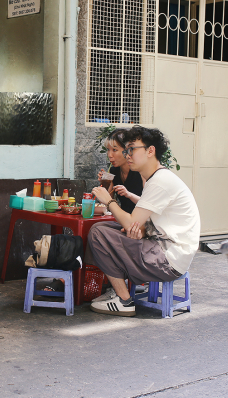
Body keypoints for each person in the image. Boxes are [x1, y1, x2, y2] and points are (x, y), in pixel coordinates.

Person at [87, 126, 200, 317]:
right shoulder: (155, 178)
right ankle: (117, 288)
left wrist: (108, 200)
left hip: (168, 258)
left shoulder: (160, 181)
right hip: (162, 247)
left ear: (150, 150)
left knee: (99, 233)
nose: (127, 154)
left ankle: (123, 299)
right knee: (104, 227)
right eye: (127, 150)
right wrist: (141, 230)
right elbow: (138, 224)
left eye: (132, 149)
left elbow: (131, 220)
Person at [97, 128, 144, 214]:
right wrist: (106, 182)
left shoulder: (141, 171)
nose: (110, 155)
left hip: (141, 221)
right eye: (108, 150)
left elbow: (149, 205)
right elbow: (108, 204)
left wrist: (128, 194)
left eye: (114, 150)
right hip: (123, 219)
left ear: (126, 150)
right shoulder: (114, 170)